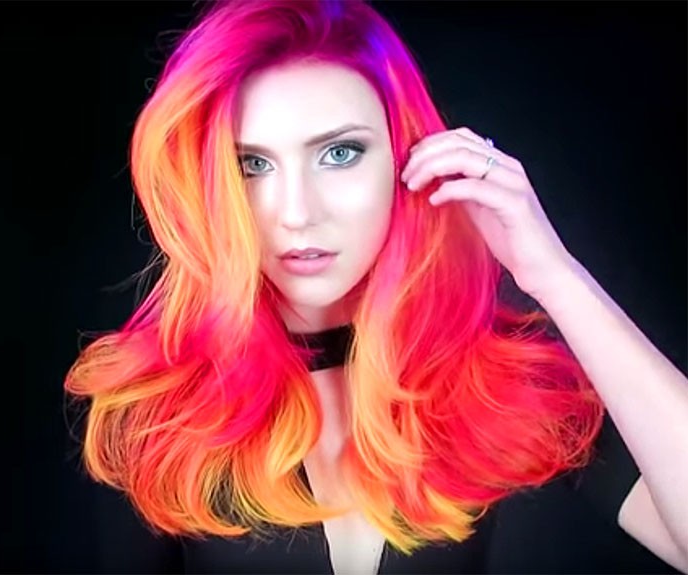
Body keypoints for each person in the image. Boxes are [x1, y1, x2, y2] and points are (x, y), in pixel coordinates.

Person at [64, 0, 688, 573]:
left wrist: (554, 274)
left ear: (406, 156)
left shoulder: (494, 378)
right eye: (251, 165)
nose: (297, 212)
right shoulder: (153, 408)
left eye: (339, 154)